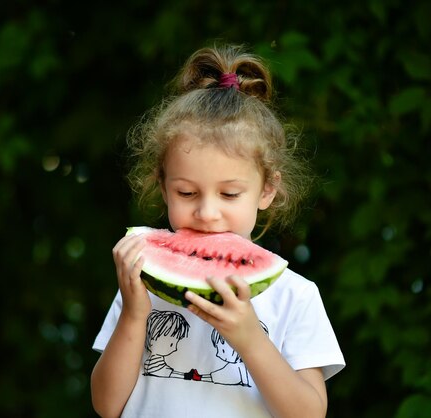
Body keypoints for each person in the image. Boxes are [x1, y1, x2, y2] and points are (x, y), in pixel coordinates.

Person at [91, 43, 345, 418]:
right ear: (163, 188)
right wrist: (132, 315)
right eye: (187, 192)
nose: (207, 213)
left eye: (229, 193)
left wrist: (250, 339)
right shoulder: (141, 287)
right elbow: (107, 406)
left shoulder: (295, 297)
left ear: (267, 190)